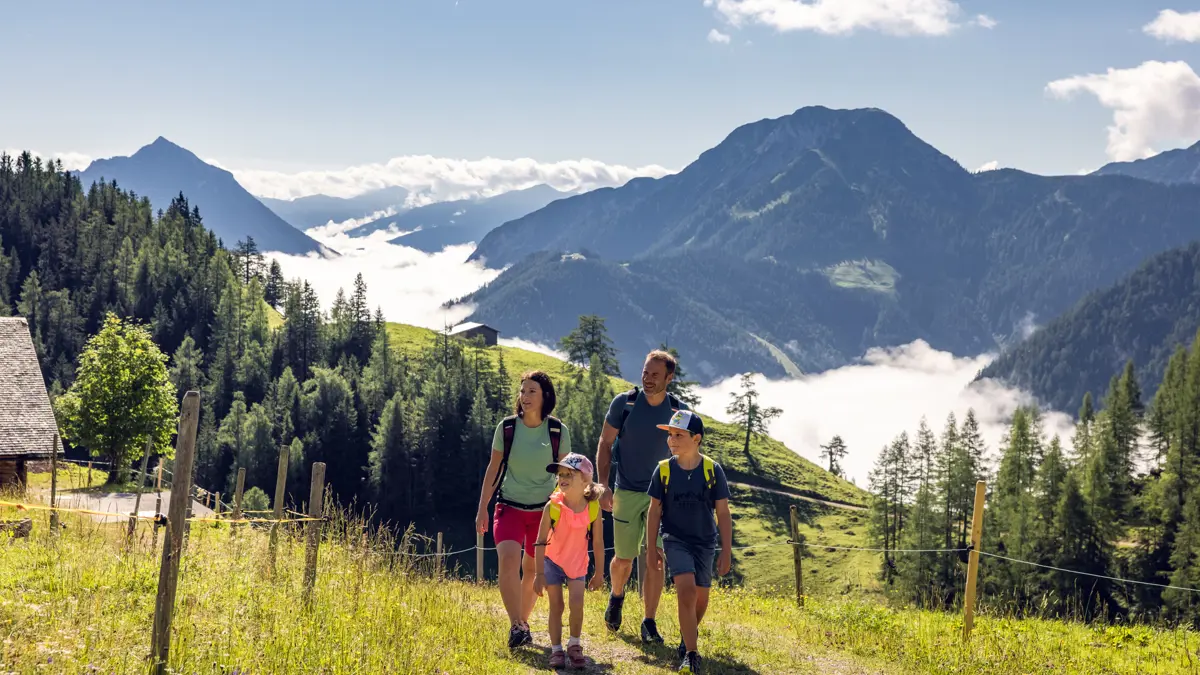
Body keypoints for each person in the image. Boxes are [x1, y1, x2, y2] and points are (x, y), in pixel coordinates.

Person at [596, 349, 689, 642]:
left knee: (656, 557)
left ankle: (649, 622)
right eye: (645, 373)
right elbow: (605, 443)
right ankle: (617, 595)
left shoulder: (679, 412)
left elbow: (688, 453)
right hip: (626, 491)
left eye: (655, 375)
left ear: (669, 378)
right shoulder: (624, 404)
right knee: (623, 559)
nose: (648, 379)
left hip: (663, 498)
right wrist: (603, 484)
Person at [476, 371, 572, 650]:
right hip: (509, 507)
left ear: (545, 397)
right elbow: (494, 469)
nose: (525, 397)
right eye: (523, 391)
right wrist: (482, 507)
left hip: (544, 512)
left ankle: (523, 624)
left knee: (530, 568)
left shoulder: (557, 431)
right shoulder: (506, 429)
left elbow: (566, 477)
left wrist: (567, 511)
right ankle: (516, 624)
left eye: (532, 391)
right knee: (507, 563)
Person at [647, 409, 732, 675]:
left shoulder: (712, 470)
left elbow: (723, 511)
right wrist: (651, 547)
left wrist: (726, 551)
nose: (671, 440)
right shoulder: (663, 470)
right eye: (669, 435)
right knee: (686, 591)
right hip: (675, 539)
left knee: (701, 599)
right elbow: (654, 511)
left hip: (705, 543)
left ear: (696, 438)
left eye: (678, 435)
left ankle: (687, 638)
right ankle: (691, 656)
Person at [533, 452, 606, 669]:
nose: (562, 478)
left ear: (585, 479)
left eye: (569, 474)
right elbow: (540, 542)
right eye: (560, 474)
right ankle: (556, 650)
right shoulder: (552, 507)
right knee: (556, 605)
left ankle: (574, 646)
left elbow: (599, 543)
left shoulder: (593, 507)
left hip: (577, 563)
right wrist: (538, 574)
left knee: (577, 604)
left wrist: (600, 572)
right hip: (552, 562)